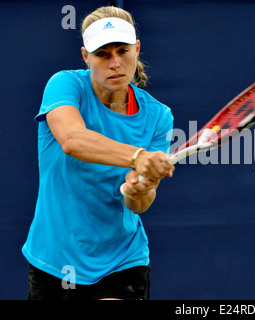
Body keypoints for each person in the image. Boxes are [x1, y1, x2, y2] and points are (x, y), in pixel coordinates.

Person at [22, 6, 175, 300]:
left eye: (122, 51)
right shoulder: (65, 85)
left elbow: (139, 203)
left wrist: (138, 189)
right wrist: (138, 157)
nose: (115, 63)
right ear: (86, 56)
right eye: (103, 54)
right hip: (54, 258)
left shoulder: (158, 116)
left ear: (137, 49)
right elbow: (72, 139)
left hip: (121, 260)